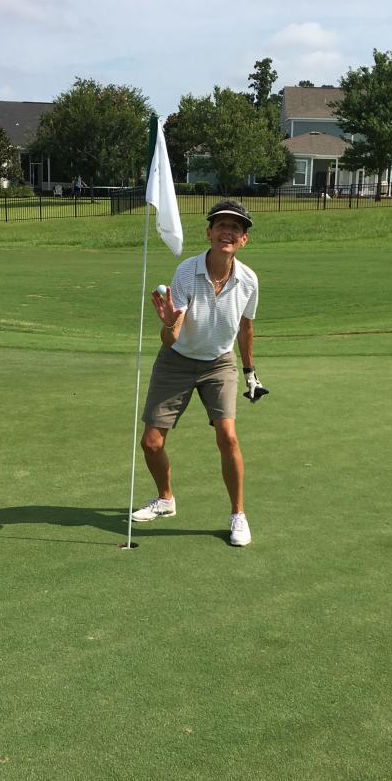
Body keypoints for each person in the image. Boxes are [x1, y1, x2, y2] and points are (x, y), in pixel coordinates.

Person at [131, 199, 269, 547]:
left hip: (219, 363)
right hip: (176, 360)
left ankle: (238, 514)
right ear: (208, 233)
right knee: (151, 443)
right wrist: (166, 324)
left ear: (243, 240)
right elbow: (171, 335)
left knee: (228, 436)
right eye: (221, 225)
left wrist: (251, 372)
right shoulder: (186, 272)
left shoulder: (249, 281)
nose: (227, 231)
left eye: (235, 228)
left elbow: (246, 328)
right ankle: (165, 500)